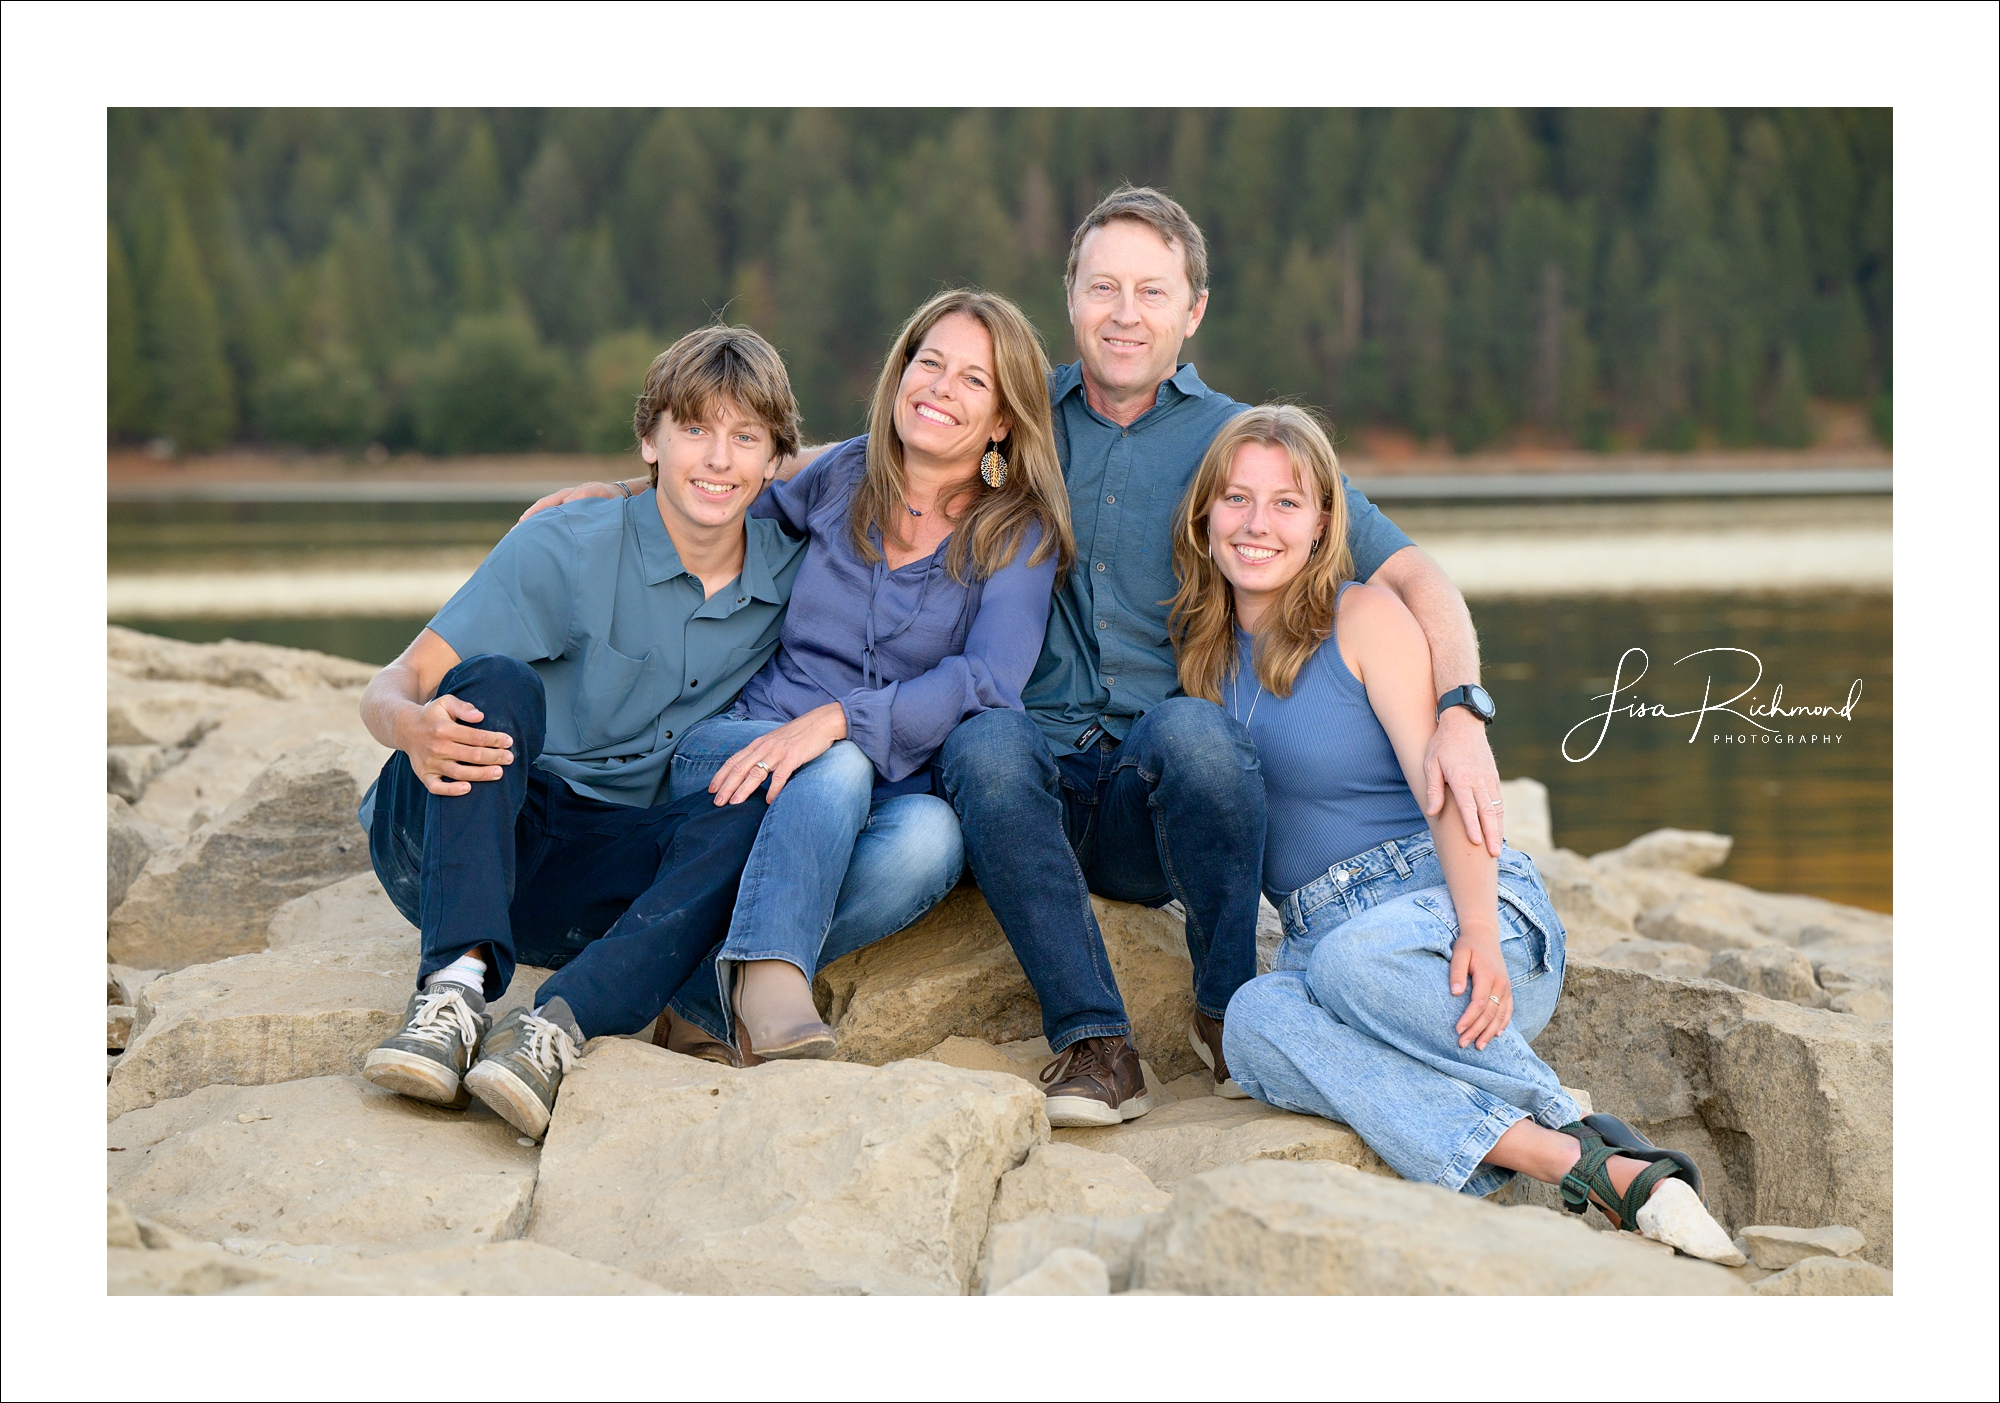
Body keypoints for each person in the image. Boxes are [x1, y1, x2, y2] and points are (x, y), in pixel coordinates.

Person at [523, 187, 1506, 1129]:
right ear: (1070, 297)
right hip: (1011, 787)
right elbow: (841, 456)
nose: (1123, 314)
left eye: (1151, 291)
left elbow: (1414, 574)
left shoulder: (1235, 449)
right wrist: (629, 489)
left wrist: (1458, 705)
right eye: (1101, 287)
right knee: (987, 741)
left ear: (1192, 311)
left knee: (1193, 731)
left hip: (1148, 795)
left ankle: (1220, 1006)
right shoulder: (1021, 418)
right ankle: (1096, 1042)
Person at [1175, 404, 1727, 1250]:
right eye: (1237, 500)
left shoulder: (1361, 617)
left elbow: (1450, 787)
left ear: (1326, 523)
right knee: (1252, 1021)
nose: (1257, 525)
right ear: (1203, 514)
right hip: (1321, 943)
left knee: (1358, 960)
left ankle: (1545, 1118)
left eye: (1287, 503)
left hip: (1452, 915)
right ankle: (1570, 1155)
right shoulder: (1202, 657)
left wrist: (1474, 923)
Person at [355, 325, 811, 1140]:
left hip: (589, 874)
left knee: (760, 793)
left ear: (777, 457)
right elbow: (393, 682)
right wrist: (410, 728)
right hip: (459, 830)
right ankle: (453, 992)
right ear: (651, 438)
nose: (718, 459)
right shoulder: (565, 543)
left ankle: (556, 1025)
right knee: (494, 682)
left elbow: (892, 453)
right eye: (694, 430)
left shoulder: (790, 570)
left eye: (746, 437)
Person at [650, 288, 1072, 1064]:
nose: (941, 387)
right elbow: (718, 502)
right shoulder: (841, 473)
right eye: (930, 362)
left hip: (883, 781)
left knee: (933, 838)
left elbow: (987, 680)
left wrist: (842, 719)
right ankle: (772, 987)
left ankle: (693, 994)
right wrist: (606, 497)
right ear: (901, 370)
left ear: (1004, 421)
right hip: (738, 751)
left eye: (973, 380)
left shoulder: (1019, 531)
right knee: (834, 763)